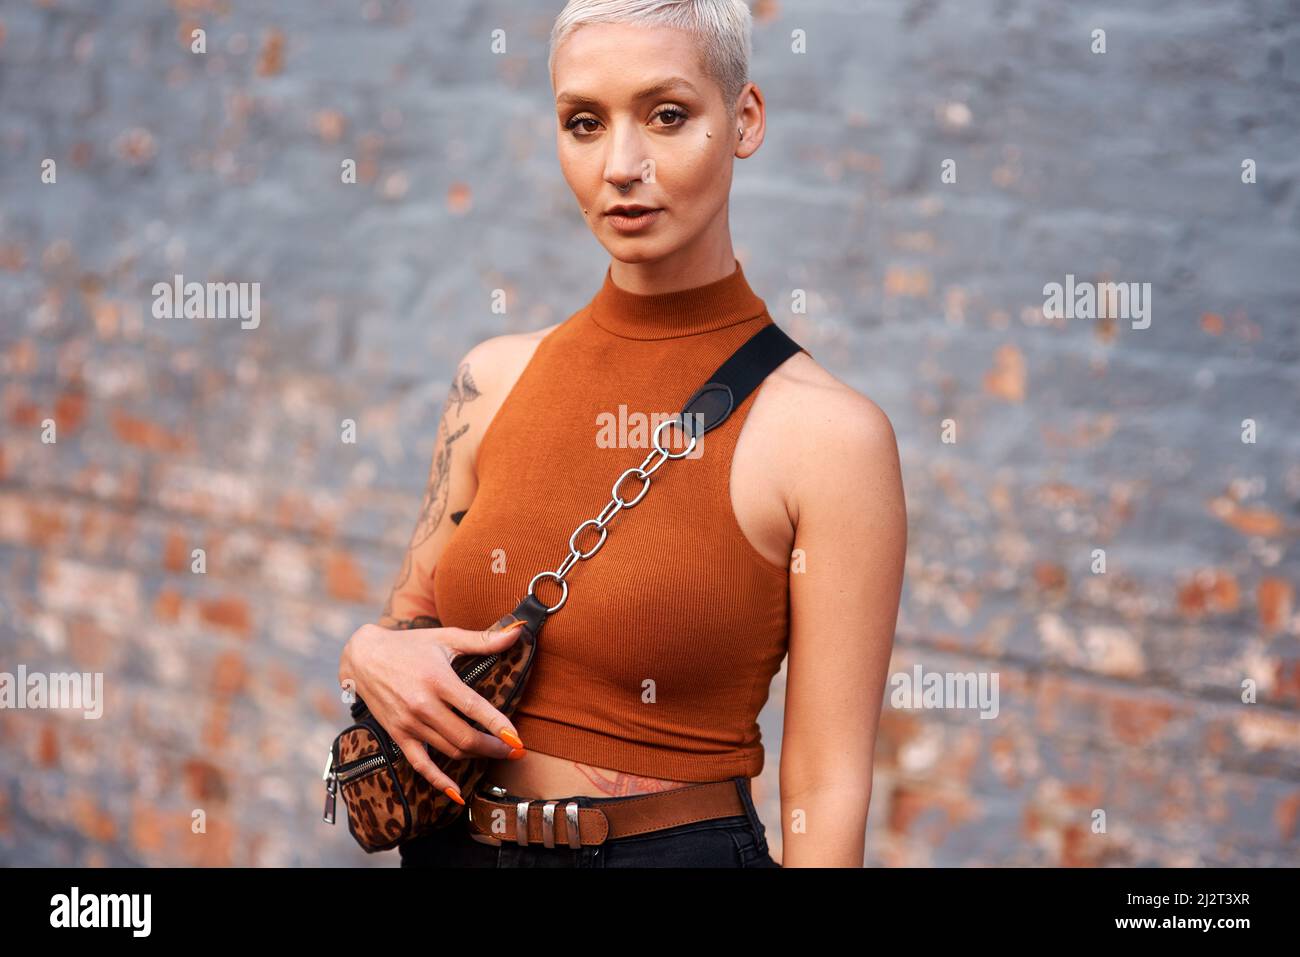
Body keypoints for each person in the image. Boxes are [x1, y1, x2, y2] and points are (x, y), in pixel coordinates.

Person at [336, 0, 906, 868]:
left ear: (744, 118)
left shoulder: (831, 437)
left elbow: (826, 785)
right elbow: (408, 622)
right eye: (584, 123)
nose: (622, 165)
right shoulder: (490, 380)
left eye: (668, 115)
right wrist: (367, 650)